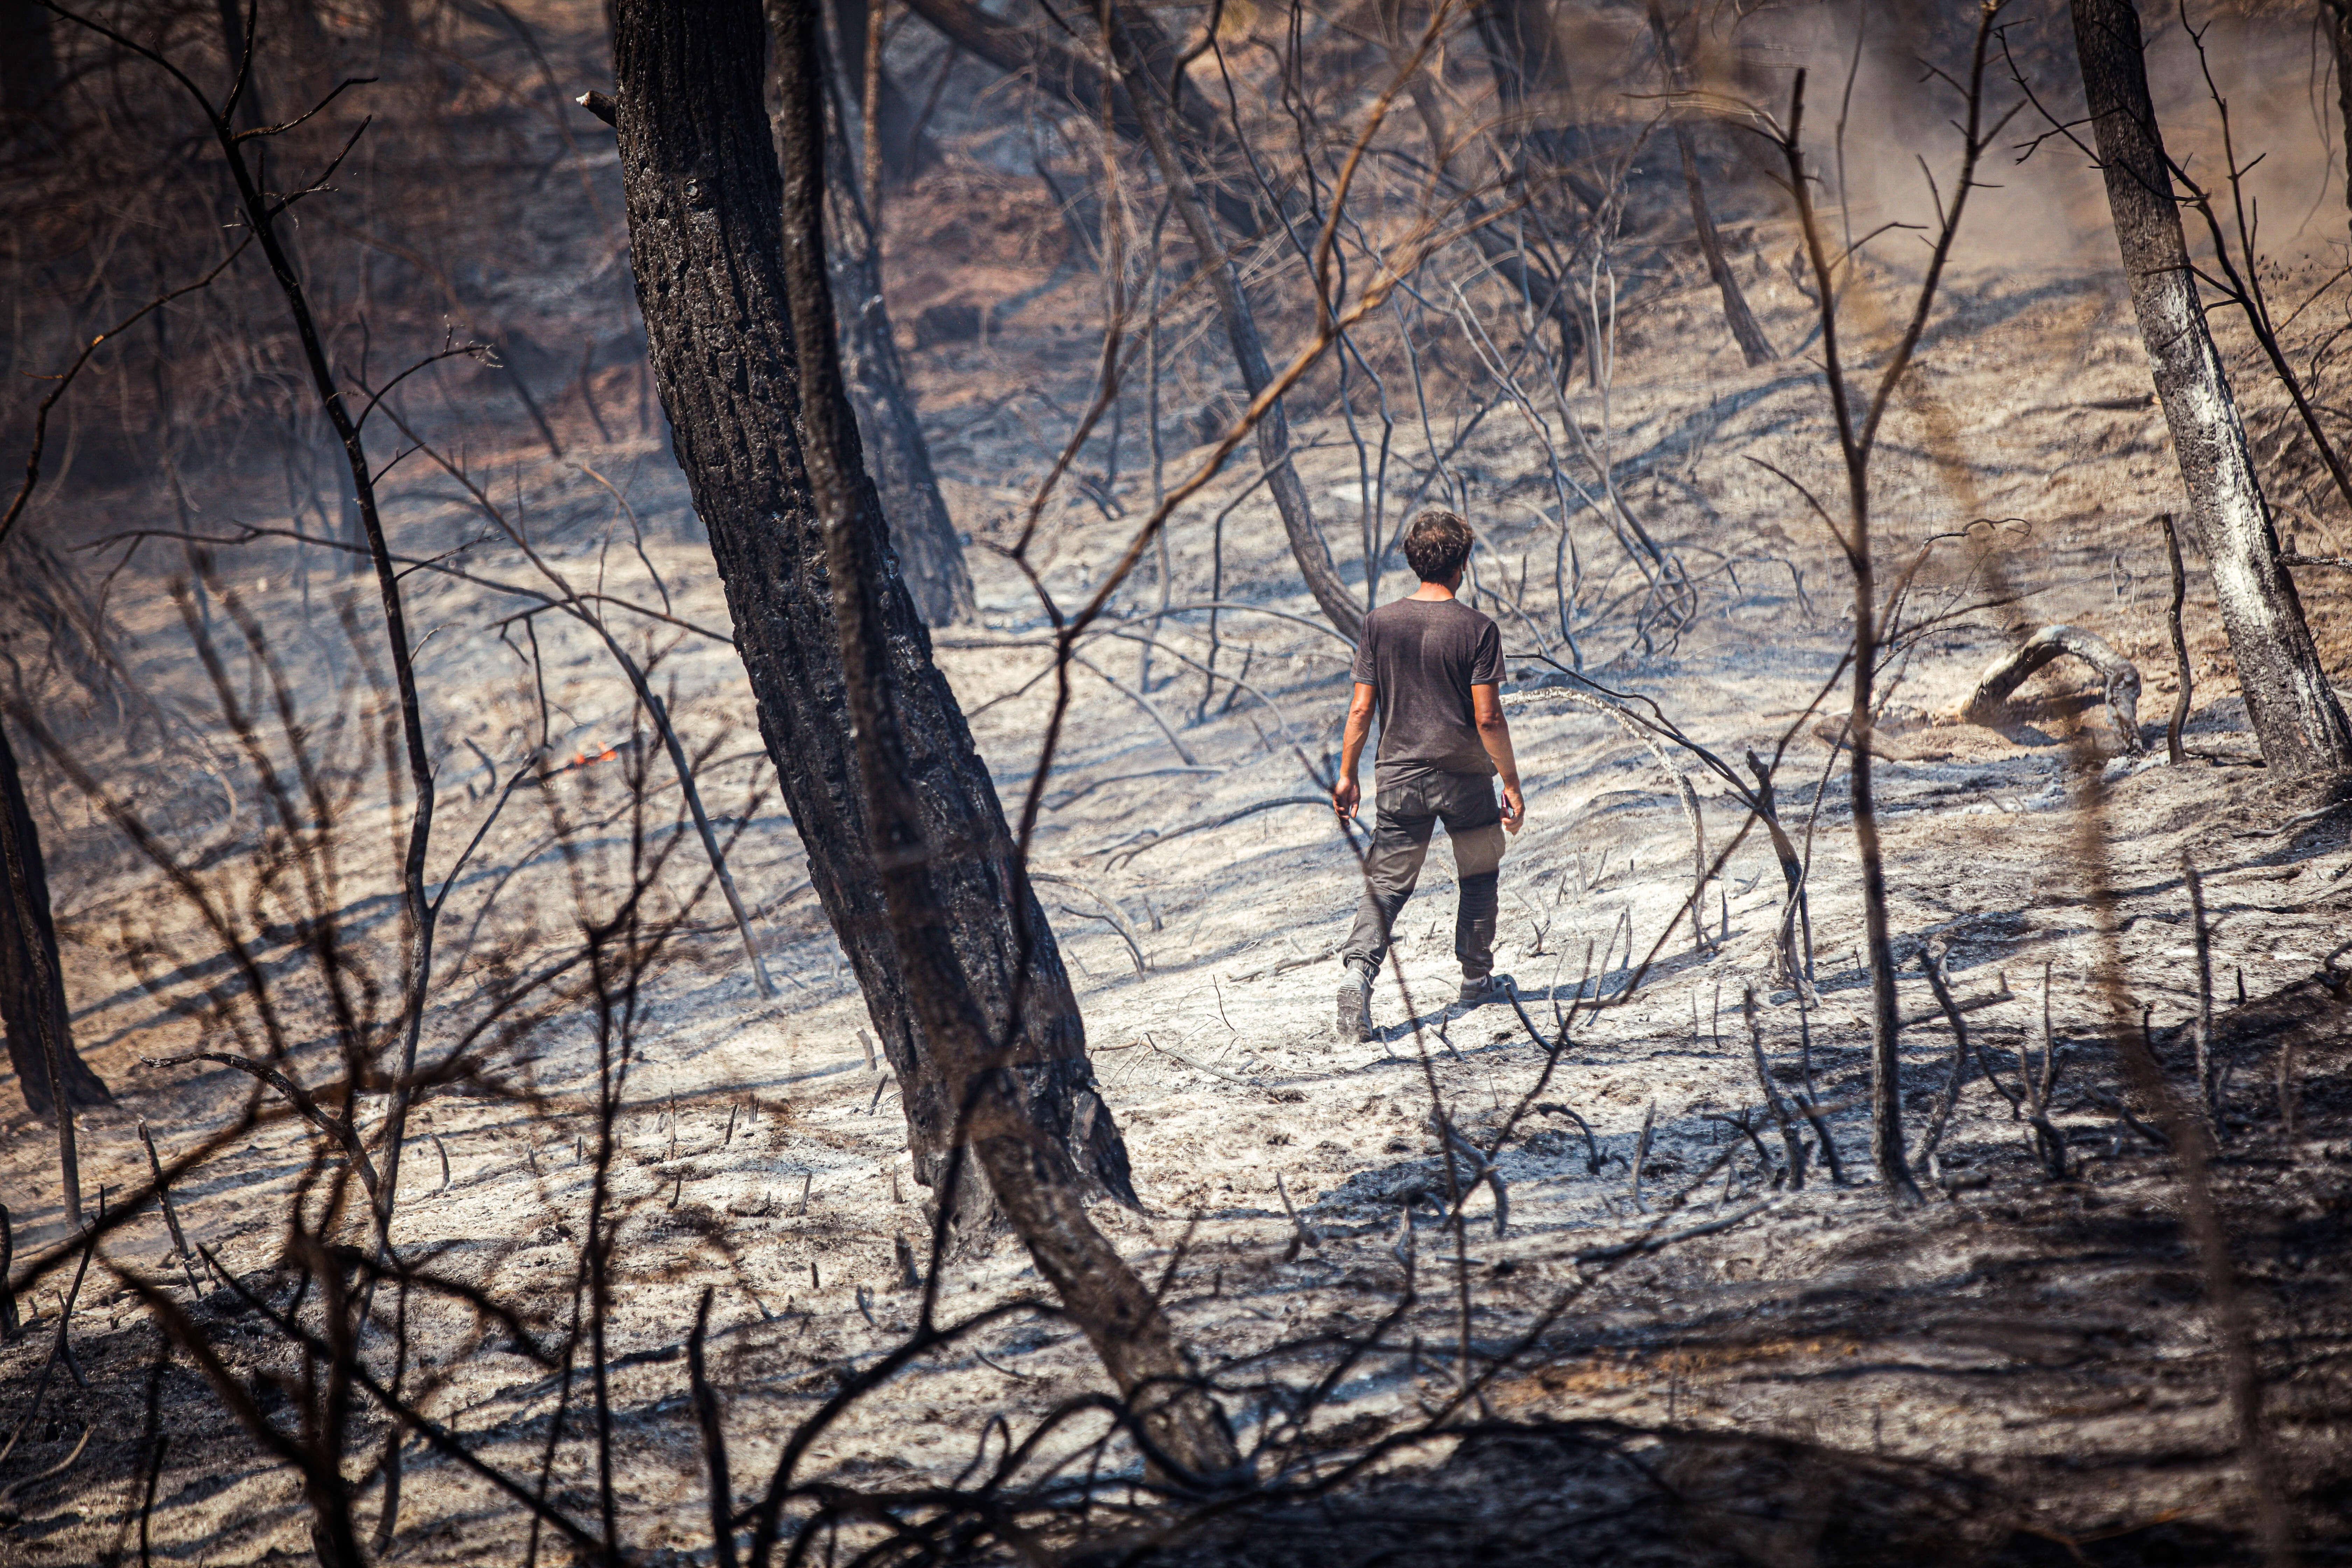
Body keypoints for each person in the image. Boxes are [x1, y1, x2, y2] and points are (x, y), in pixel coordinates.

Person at [1332, 509, 1525, 1042]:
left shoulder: (1378, 624)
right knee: (1478, 875)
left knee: (1388, 885)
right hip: (1466, 779)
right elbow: (1488, 717)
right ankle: (1476, 979)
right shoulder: (1478, 630)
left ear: (1414, 561)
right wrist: (1510, 782)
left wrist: (1347, 776)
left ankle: (1358, 976)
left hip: (1397, 777)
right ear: (1463, 563)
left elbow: (1359, 712)